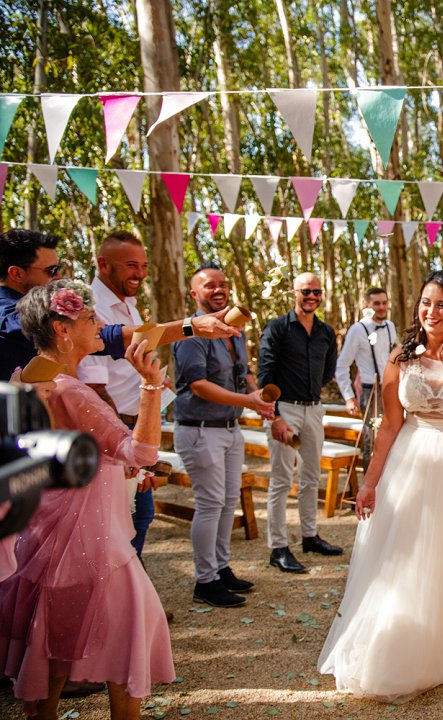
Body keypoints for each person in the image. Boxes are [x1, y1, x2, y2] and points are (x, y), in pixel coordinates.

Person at [319, 270, 443, 702]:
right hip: (410, 460)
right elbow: (390, 426)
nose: (432, 312)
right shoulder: (399, 357)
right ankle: (415, 639)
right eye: (426, 303)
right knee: (409, 552)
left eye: (442, 304)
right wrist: (371, 482)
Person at [0, 280, 174, 719]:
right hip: (94, 548)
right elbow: (143, 452)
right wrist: (151, 387)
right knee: (126, 650)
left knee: (51, 658)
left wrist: (118, 470)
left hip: (45, 540)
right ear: (62, 330)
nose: (102, 324)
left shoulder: (24, 381)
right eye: (91, 318)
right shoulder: (72, 391)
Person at [0, 228, 239, 384]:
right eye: (50, 270)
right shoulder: (11, 317)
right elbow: (113, 338)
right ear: (16, 274)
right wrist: (192, 327)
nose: (58, 276)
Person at [173, 264, 275, 607]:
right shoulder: (191, 333)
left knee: (228, 501)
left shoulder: (234, 330)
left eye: (223, 285)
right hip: (200, 430)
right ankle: (204, 581)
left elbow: (243, 373)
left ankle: (220, 567)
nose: (218, 290)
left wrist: (258, 396)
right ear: (194, 293)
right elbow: (199, 386)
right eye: (209, 285)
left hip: (231, 430)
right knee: (210, 503)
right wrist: (247, 400)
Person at [78, 230, 160, 557]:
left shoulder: (129, 305)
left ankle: (131, 601)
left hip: (135, 427)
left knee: (138, 516)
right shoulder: (93, 309)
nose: (140, 274)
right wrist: (122, 443)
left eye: (143, 265)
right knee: (123, 523)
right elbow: (95, 388)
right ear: (103, 265)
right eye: (130, 265)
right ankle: (120, 603)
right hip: (114, 433)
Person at [258, 272, 341, 573]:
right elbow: (265, 374)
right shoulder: (277, 328)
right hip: (285, 411)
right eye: (306, 291)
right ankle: (278, 547)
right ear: (294, 292)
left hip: (314, 410)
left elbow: (328, 372)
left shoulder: (326, 332)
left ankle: (310, 536)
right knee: (281, 480)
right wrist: (275, 415)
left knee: (311, 477)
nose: (312, 297)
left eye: (317, 292)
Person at [334, 287, 397, 469]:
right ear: (367, 305)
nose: (381, 307)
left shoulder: (390, 326)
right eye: (376, 303)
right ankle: (371, 489)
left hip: (391, 388)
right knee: (372, 438)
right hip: (370, 391)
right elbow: (342, 365)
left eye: (384, 303)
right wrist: (348, 396)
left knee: (393, 435)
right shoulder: (357, 329)